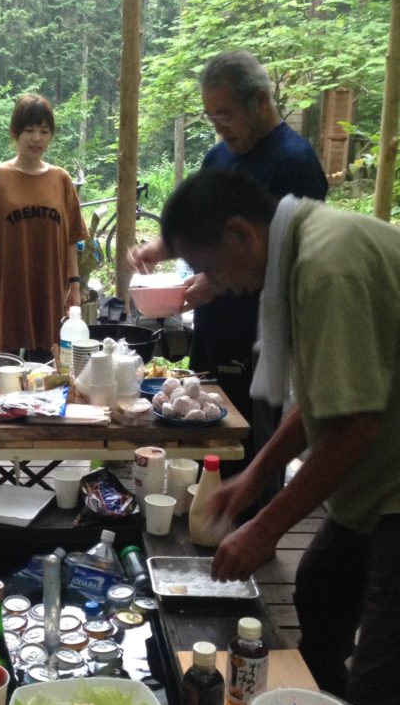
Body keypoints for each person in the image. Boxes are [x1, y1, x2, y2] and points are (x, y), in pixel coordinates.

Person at [152, 167, 400, 705]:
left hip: (389, 480)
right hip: (375, 475)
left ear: (241, 234)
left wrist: (265, 526)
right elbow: (321, 401)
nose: (216, 285)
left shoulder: (326, 266)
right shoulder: (303, 252)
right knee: (319, 593)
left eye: (209, 268)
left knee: (385, 684)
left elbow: (351, 428)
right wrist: (255, 476)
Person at [132, 50, 327, 480]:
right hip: (213, 328)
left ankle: (252, 511)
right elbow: (205, 229)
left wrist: (216, 283)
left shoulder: (294, 163)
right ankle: (203, 504)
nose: (219, 127)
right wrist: (164, 247)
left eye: (225, 115)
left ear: (259, 100)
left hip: (259, 336)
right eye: (210, 117)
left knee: (248, 443)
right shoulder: (220, 156)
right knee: (200, 428)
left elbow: (293, 259)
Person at [0, 93, 88, 359]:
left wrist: (74, 286)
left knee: (48, 366)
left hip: (48, 289)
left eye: (44, 131)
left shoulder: (61, 179)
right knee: (3, 366)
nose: (37, 138)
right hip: (5, 290)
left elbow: (71, 238)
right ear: (15, 132)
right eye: (29, 130)